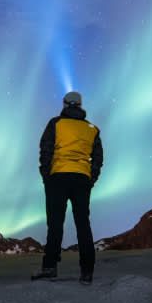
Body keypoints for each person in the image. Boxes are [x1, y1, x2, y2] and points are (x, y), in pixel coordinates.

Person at [31, 91, 103, 285]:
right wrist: (90, 178)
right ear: (80, 105)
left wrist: (47, 176)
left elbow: (45, 149)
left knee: (55, 223)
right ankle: (87, 272)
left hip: (58, 177)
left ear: (64, 105)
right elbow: (98, 159)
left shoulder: (55, 123)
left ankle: (50, 267)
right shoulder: (93, 129)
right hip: (81, 179)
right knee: (83, 224)